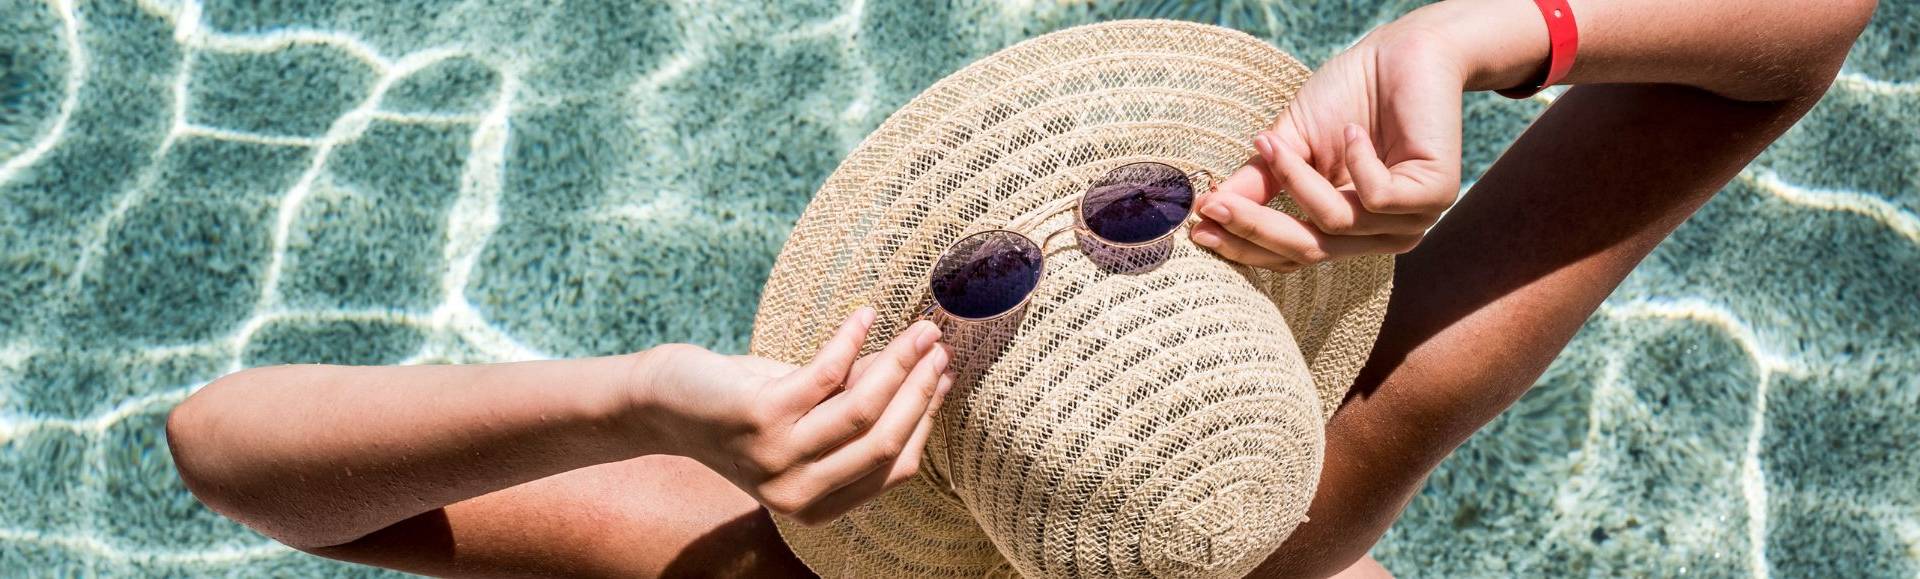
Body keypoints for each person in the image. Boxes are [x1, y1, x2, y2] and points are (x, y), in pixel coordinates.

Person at [164, 0, 1876, 576]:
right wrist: (1496, 34)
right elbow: (1802, 39)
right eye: (1156, 223)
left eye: (979, 285)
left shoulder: (741, 562)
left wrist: (637, 398)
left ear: (910, 425)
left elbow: (225, 448)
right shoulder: (1322, 478)